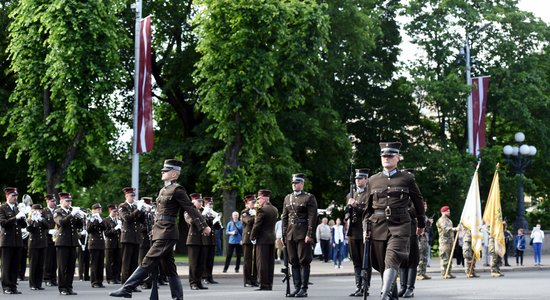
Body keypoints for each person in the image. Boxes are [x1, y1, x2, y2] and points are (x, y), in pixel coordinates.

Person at [109, 159, 211, 299]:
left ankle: (127, 288)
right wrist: (153, 228)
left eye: (166, 171)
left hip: (167, 231)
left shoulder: (177, 190)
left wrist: (203, 225)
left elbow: (190, 208)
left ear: (174, 175)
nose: (163, 172)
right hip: (160, 230)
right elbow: (158, 213)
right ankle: (177, 298)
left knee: (148, 260)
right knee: (170, 269)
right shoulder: (163, 190)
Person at [362, 142, 425, 300]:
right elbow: (367, 209)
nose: (386, 158)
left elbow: (418, 201)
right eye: (384, 156)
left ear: (398, 158)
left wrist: (421, 223)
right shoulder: (373, 180)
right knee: (383, 264)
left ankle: (384, 296)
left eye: (390, 155)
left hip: (400, 226)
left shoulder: (407, 178)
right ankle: (392, 296)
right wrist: (365, 228)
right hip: (378, 227)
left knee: (392, 258)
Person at [281, 173, 318, 298]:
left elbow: (312, 217)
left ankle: (304, 288)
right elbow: (284, 217)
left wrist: (309, 234)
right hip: (291, 234)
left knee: (304, 261)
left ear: (302, 184)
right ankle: (297, 287)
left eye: (296, 183)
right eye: (293, 183)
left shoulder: (308, 197)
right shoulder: (287, 198)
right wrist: (284, 234)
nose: (294, 185)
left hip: (303, 233)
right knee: (293, 261)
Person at [344, 168, 370, 297]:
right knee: (356, 261)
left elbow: (368, 212)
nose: (357, 181)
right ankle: (358, 286)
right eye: (356, 179)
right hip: (353, 232)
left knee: (365, 261)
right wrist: (347, 211)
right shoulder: (350, 195)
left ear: (366, 179)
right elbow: (347, 213)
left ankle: (365, 286)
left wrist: (356, 207)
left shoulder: (369, 194)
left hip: (364, 231)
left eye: (360, 178)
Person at [54, 192, 85, 295]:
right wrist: (72, 214)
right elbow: (61, 223)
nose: (69, 202)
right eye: (67, 201)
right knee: (63, 267)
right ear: (61, 201)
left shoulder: (71, 213)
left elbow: (79, 226)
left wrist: (80, 217)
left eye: (70, 201)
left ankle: (69, 287)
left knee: (71, 267)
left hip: (72, 242)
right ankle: (62, 288)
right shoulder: (57, 211)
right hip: (62, 242)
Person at [0, 187, 28, 294]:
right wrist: (16, 217)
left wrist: (23, 217)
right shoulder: (2, 208)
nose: (15, 197)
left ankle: (13, 285)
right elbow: (3, 223)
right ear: (7, 196)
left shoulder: (17, 208)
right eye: (13, 195)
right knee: (7, 265)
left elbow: (23, 225)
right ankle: (6, 286)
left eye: (16, 195)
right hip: (7, 241)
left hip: (17, 241)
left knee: (15, 265)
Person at [250, 189, 278, 291]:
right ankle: (269, 284)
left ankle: (263, 284)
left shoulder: (262, 210)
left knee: (261, 263)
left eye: (259, 199)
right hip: (271, 238)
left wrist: (252, 237)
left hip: (262, 239)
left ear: (264, 199)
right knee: (270, 263)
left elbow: (257, 225)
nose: (258, 201)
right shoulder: (274, 209)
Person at [399, 170, 420, 298]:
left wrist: (401, 211)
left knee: (412, 259)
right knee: (402, 260)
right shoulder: (400, 192)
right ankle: (402, 286)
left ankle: (410, 288)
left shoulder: (414, 193)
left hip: (411, 230)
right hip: (400, 230)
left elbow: (415, 210)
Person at [118, 187, 146, 287]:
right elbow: (127, 218)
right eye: (131, 195)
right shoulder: (122, 206)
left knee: (134, 262)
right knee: (126, 262)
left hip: (136, 237)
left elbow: (142, 221)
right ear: (126, 196)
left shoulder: (135, 207)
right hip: (127, 237)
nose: (133, 197)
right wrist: (138, 209)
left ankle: (133, 284)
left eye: (134, 195)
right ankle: (125, 284)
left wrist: (143, 211)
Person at [185, 193, 209, 290]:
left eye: (201, 201)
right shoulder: (188, 212)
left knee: (201, 263)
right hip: (193, 240)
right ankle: (193, 282)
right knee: (193, 263)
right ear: (193, 202)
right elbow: (192, 222)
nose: (200, 203)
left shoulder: (202, 212)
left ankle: (199, 282)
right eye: (198, 201)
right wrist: (201, 215)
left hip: (203, 240)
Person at [27, 203, 49, 290]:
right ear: (33, 211)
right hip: (34, 244)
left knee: (40, 265)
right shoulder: (29, 219)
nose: (39, 212)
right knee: (33, 264)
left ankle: (38, 284)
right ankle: (32, 284)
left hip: (42, 244)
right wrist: (33, 220)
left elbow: (47, 226)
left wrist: (40, 219)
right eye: (37, 210)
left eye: (40, 210)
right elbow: (29, 229)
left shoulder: (42, 219)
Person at [201, 196, 221, 285]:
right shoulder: (203, 213)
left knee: (210, 260)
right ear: (205, 204)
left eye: (212, 204)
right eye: (209, 204)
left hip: (211, 240)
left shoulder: (212, 213)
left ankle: (210, 276)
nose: (211, 205)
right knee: (204, 260)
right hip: (205, 240)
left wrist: (217, 220)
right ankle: (204, 277)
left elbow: (217, 228)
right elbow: (202, 224)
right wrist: (206, 214)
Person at [241, 194, 259, 287]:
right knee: (248, 261)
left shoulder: (256, 211)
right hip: (247, 239)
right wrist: (255, 216)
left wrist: (256, 214)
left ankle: (254, 279)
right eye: (252, 202)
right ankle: (247, 280)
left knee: (255, 260)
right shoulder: (245, 212)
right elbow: (248, 221)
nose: (254, 203)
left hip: (256, 238)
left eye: (255, 202)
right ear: (247, 203)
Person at [88, 203, 106, 288]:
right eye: (97, 209)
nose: (99, 211)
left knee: (100, 264)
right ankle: (94, 281)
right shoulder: (90, 218)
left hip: (101, 243)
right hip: (94, 243)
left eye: (100, 209)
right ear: (93, 210)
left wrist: (100, 220)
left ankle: (100, 281)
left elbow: (105, 228)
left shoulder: (100, 219)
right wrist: (92, 221)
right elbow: (88, 229)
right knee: (94, 264)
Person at [437, 205, 457, 279]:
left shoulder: (448, 220)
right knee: (444, 257)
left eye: (449, 210)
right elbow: (446, 228)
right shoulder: (442, 220)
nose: (449, 212)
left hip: (450, 242)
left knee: (449, 257)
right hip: (444, 242)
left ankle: (448, 272)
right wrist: (455, 229)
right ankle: (444, 272)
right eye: (447, 211)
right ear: (443, 212)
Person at [43, 194, 59, 287]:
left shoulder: (58, 211)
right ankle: (47, 278)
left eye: (55, 201)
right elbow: (41, 226)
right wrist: (49, 231)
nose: (54, 202)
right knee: (48, 260)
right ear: (47, 202)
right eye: (52, 201)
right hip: (48, 239)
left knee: (55, 260)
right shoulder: (44, 212)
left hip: (57, 239)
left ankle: (53, 278)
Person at [104, 204, 122, 284]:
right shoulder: (106, 220)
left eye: (116, 211)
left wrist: (120, 227)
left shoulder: (118, 220)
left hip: (118, 243)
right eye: (114, 211)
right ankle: (110, 278)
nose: (115, 213)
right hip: (110, 244)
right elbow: (106, 233)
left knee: (117, 261)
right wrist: (115, 228)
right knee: (109, 262)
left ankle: (116, 277)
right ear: (110, 211)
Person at [416, 201, 432, 280]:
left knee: (424, 256)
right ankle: (418, 273)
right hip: (420, 239)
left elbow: (427, 229)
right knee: (420, 256)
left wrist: (429, 223)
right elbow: (417, 227)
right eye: (424, 206)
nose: (425, 207)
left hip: (425, 238)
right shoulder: (417, 215)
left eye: (426, 206)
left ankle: (423, 272)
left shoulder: (424, 216)